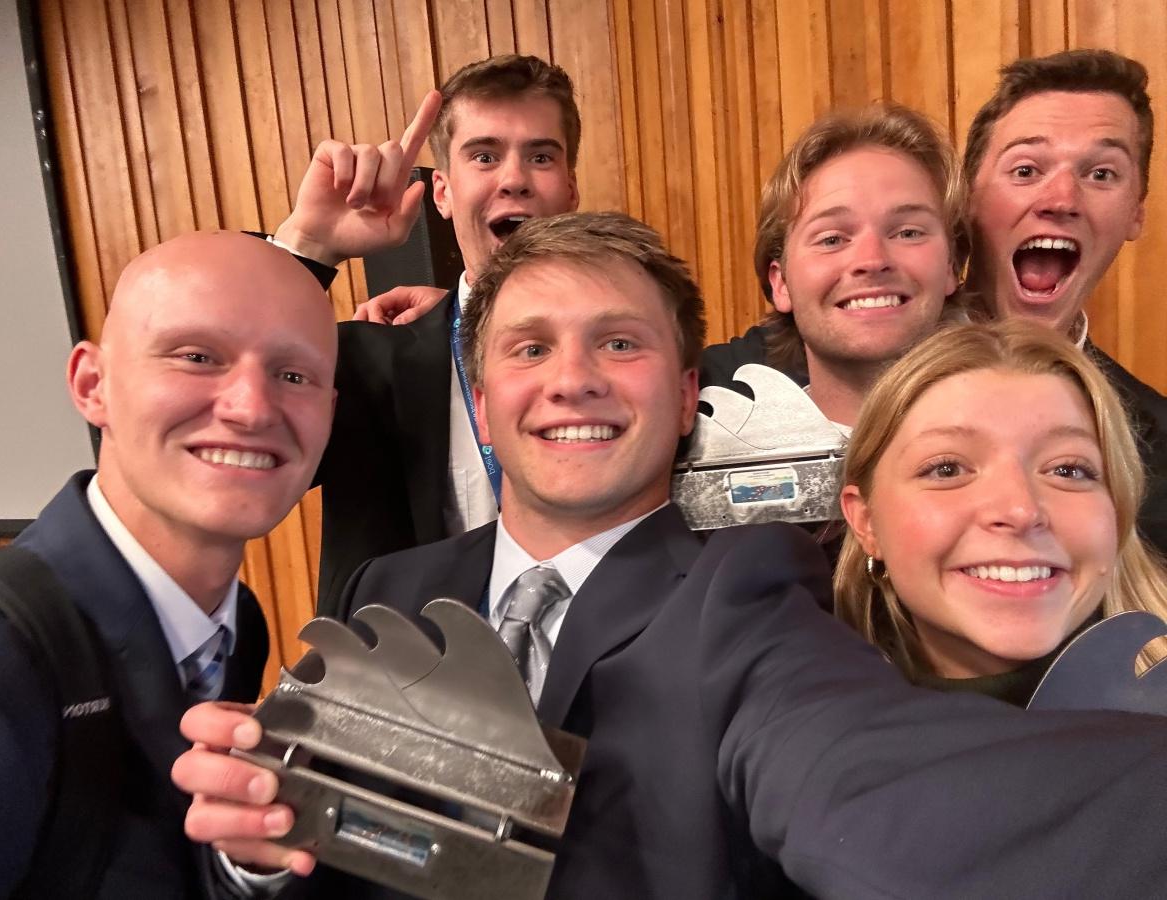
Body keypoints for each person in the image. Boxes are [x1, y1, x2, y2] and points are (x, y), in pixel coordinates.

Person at [175, 212, 1167, 900]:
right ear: (481, 401)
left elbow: (853, 786)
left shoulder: (756, 589)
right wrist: (262, 850)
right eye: (528, 349)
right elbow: (336, 854)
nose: (573, 381)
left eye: (618, 345)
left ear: (690, 392)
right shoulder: (384, 587)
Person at [0, 231, 337, 899]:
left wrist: (250, 868)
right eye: (197, 357)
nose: (252, 407)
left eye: (293, 375)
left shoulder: (232, 626)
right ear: (92, 384)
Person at [263, 55, 582, 611]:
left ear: (571, 190)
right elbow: (238, 400)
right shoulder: (367, 365)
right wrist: (309, 246)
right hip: (403, 685)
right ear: (442, 192)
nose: (514, 178)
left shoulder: (626, 366)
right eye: (484, 156)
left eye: (541, 156)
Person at [836, 319, 1167, 705]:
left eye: (1068, 470)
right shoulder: (785, 730)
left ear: (1118, 511)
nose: (1021, 510)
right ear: (866, 521)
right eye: (948, 469)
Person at [963, 48, 1167, 554]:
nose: (1061, 200)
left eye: (1101, 174)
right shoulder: (828, 374)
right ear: (966, 197)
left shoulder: (1160, 447)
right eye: (1027, 170)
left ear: (1135, 213)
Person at [702, 103, 968, 432]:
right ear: (780, 283)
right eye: (832, 239)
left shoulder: (1032, 443)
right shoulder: (698, 452)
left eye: (908, 233)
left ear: (951, 267)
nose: (872, 260)